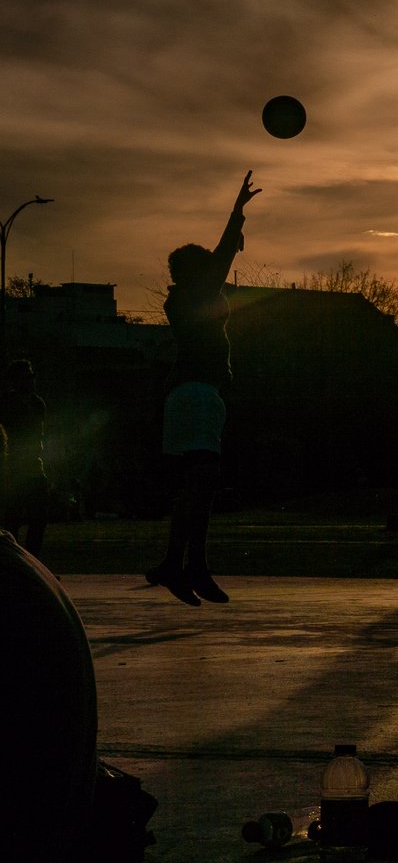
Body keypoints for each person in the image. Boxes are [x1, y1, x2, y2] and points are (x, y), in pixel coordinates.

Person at [145, 170, 261, 606]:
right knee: (200, 487)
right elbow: (225, 252)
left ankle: (186, 564)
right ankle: (184, 564)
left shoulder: (181, 299)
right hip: (196, 395)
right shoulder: (195, 293)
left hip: (190, 396)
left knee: (197, 489)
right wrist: (237, 212)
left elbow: (223, 255)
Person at [0, 359, 51, 553]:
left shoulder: (36, 403)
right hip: (16, 469)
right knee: (14, 521)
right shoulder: (11, 403)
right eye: (27, 378)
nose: (31, 382)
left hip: (30, 467)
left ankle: (31, 563)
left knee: (37, 519)